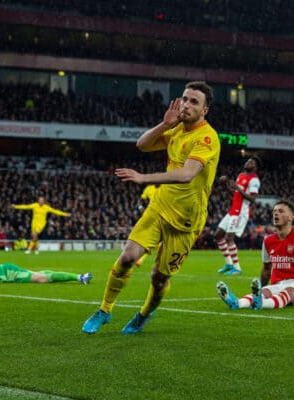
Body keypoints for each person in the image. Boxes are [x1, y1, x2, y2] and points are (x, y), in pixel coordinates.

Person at [82, 81, 220, 335]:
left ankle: (144, 314)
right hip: (160, 207)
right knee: (127, 258)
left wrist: (144, 178)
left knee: (159, 279)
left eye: (194, 102)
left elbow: (187, 174)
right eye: (185, 99)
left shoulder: (207, 137)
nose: (186, 105)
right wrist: (165, 125)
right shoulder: (177, 130)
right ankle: (105, 309)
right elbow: (142, 144)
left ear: (205, 110)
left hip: (186, 222)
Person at [217, 200, 294, 310]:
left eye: (281, 211)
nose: (276, 214)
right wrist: (260, 289)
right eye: (274, 212)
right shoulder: (268, 240)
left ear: (291, 217)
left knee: (289, 292)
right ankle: (238, 303)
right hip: (279, 283)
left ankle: (262, 303)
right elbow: (267, 269)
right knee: (265, 292)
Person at [216, 156, 261, 275]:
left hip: (241, 212)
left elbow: (253, 198)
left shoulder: (254, 180)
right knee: (218, 235)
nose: (248, 163)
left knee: (229, 238)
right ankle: (228, 264)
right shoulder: (240, 175)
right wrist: (226, 184)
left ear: (255, 167)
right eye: (247, 161)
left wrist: (238, 189)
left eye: (251, 162)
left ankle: (237, 268)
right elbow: (235, 194)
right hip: (232, 210)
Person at [135, 184, 160, 267]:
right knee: (155, 240)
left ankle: (141, 258)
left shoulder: (165, 187)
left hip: (162, 215)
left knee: (156, 240)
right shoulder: (149, 188)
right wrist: (140, 208)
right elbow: (141, 200)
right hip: (151, 215)